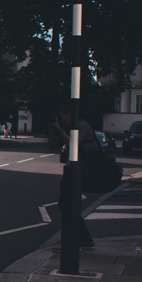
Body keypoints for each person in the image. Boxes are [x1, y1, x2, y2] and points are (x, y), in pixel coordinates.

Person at [54, 107, 94, 249]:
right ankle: (81, 239)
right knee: (65, 204)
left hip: (80, 170)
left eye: (62, 116)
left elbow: (73, 143)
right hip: (74, 169)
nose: (61, 119)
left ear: (69, 114)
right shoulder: (71, 127)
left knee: (67, 204)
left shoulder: (82, 126)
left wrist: (59, 130)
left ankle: (79, 240)